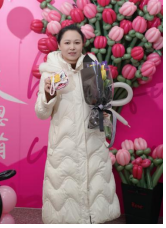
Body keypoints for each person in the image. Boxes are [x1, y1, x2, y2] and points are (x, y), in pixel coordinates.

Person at [35, 25, 120, 224]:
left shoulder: (93, 68)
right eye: (67, 43)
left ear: (83, 44)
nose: (72, 47)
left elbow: (101, 103)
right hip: (64, 146)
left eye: (76, 42)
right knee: (65, 199)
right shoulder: (51, 74)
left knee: (96, 195)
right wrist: (48, 94)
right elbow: (41, 113)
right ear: (59, 45)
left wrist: (103, 112)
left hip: (93, 143)